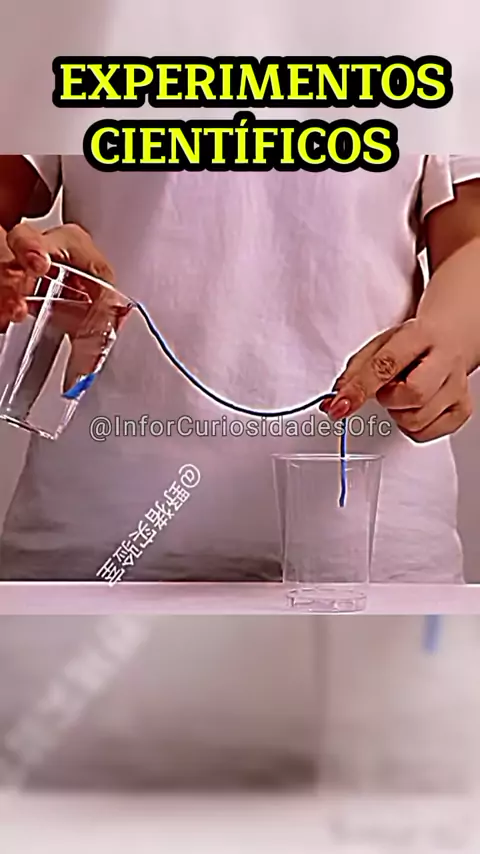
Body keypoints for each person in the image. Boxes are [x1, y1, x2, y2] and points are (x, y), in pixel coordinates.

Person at [0, 154, 479, 582]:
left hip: (375, 557)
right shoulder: (46, 72)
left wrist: (448, 339)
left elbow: (471, 239)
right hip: (88, 551)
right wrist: (13, 265)